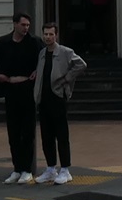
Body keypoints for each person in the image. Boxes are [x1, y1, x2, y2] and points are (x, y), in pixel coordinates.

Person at [0, 13, 42, 184]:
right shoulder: (3, 42)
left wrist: (37, 71)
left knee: (27, 131)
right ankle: (17, 168)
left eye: (28, 25)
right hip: (10, 88)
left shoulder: (34, 42)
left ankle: (27, 170)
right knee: (13, 131)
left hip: (27, 89)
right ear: (15, 24)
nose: (26, 28)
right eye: (23, 25)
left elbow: (45, 58)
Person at [32, 23, 85, 185]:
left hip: (58, 97)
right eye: (45, 34)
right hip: (43, 98)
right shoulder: (42, 53)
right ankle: (50, 169)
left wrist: (67, 79)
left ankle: (65, 169)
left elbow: (81, 64)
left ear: (56, 35)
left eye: (51, 34)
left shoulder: (65, 52)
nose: (48, 37)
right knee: (46, 135)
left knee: (61, 135)